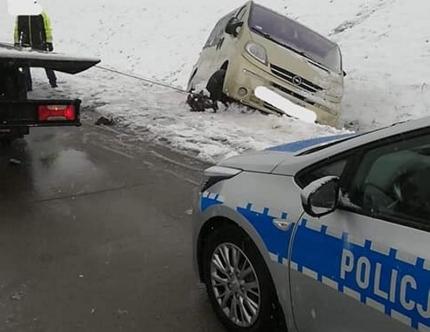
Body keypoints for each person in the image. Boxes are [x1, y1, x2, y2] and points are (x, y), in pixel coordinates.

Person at [14, 11, 57, 90]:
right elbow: (17, 29)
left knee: (47, 64)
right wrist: (16, 41)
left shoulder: (41, 13)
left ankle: (53, 83)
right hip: (25, 45)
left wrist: (49, 42)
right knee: (25, 66)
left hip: (40, 44)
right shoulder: (20, 14)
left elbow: (47, 28)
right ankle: (28, 86)